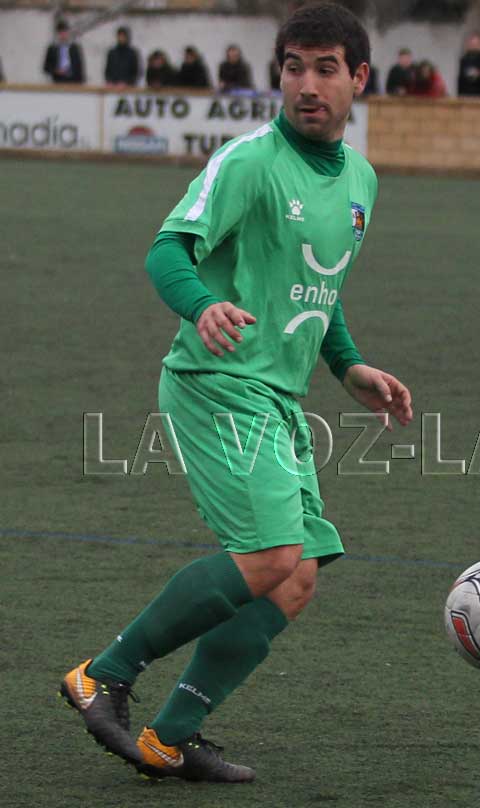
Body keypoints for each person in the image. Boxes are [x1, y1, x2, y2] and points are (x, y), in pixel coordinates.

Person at [60, 1, 412, 786]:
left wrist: (349, 366)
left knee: (298, 575)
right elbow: (166, 251)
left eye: (325, 69)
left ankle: (170, 736)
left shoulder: (361, 180)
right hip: (215, 385)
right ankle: (103, 675)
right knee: (270, 554)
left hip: (277, 397)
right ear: (278, 74)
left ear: (359, 77)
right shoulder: (250, 162)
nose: (307, 85)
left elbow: (319, 286)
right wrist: (200, 305)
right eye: (293, 67)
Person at [43, 19, 84, 84]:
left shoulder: (74, 48)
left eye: (65, 31)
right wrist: (56, 70)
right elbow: (46, 67)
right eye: (61, 32)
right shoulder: (52, 48)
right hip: (57, 82)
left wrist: (81, 83)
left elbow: (80, 68)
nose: (63, 34)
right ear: (57, 34)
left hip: (74, 83)